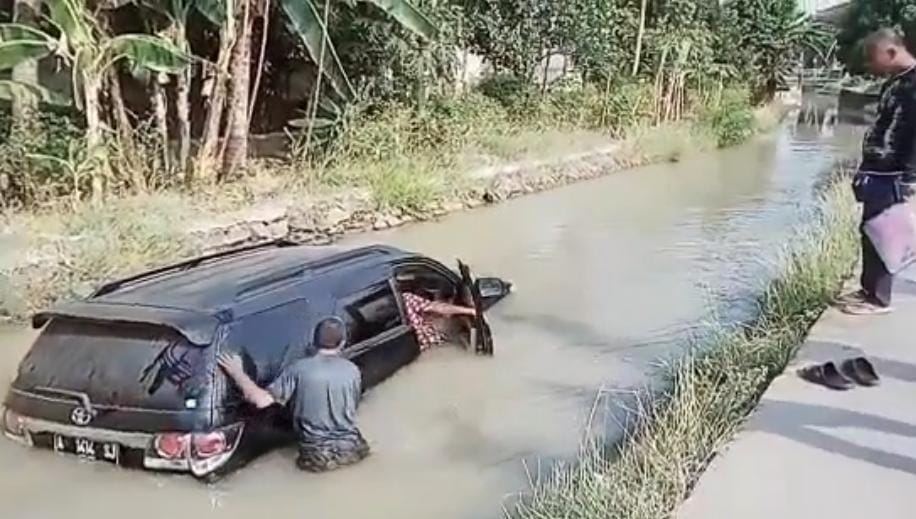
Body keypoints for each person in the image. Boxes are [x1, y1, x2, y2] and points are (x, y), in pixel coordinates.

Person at [217, 316, 369, 472]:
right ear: (343, 342)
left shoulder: (298, 370)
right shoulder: (353, 371)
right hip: (353, 447)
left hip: (318, 455)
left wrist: (237, 373)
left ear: (314, 341)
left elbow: (262, 401)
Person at [838, 28, 916, 315]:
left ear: (891, 52)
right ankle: (868, 289)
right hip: (879, 173)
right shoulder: (895, 84)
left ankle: (879, 299)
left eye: (874, 59)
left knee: (885, 234)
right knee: (869, 231)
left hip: (895, 176)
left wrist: (910, 181)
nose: (871, 67)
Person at [400, 289, 476, 351]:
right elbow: (439, 308)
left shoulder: (399, 305)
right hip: (432, 346)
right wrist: (470, 311)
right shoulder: (407, 298)